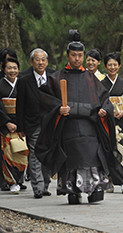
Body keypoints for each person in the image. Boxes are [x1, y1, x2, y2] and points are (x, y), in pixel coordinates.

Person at [35, 36, 118, 204]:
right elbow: (44, 100)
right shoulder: (57, 77)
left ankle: (94, 188)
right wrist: (58, 108)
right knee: (71, 159)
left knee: (92, 157)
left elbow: (105, 99)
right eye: (74, 55)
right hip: (68, 126)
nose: (77, 58)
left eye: (80, 55)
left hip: (89, 126)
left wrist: (104, 110)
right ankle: (72, 191)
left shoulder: (91, 77)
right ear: (68, 55)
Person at [16, 48, 54, 198]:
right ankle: (37, 187)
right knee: (35, 155)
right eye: (37, 59)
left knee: (48, 155)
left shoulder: (53, 76)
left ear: (47, 61)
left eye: (43, 59)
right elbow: (20, 105)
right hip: (32, 123)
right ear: (32, 62)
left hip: (50, 123)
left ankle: (45, 184)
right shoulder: (24, 79)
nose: (40, 62)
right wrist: (20, 127)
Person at [101, 52, 123, 194]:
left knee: (122, 150)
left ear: (119, 66)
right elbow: (98, 102)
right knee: (108, 150)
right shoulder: (101, 84)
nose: (112, 67)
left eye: (115, 64)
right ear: (105, 66)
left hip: (121, 122)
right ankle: (110, 180)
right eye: (110, 65)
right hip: (106, 122)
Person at [0, 57, 29, 194]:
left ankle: (19, 180)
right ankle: (8, 181)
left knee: (20, 151)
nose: (12, 71)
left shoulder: (23, 83)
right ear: (3, 69)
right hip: (5, 123)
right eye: (9, 68)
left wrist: (21, 123)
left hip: (20, 122)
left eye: (15, 68)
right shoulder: (0, 84)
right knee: (6, 153)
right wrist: (6, 122)